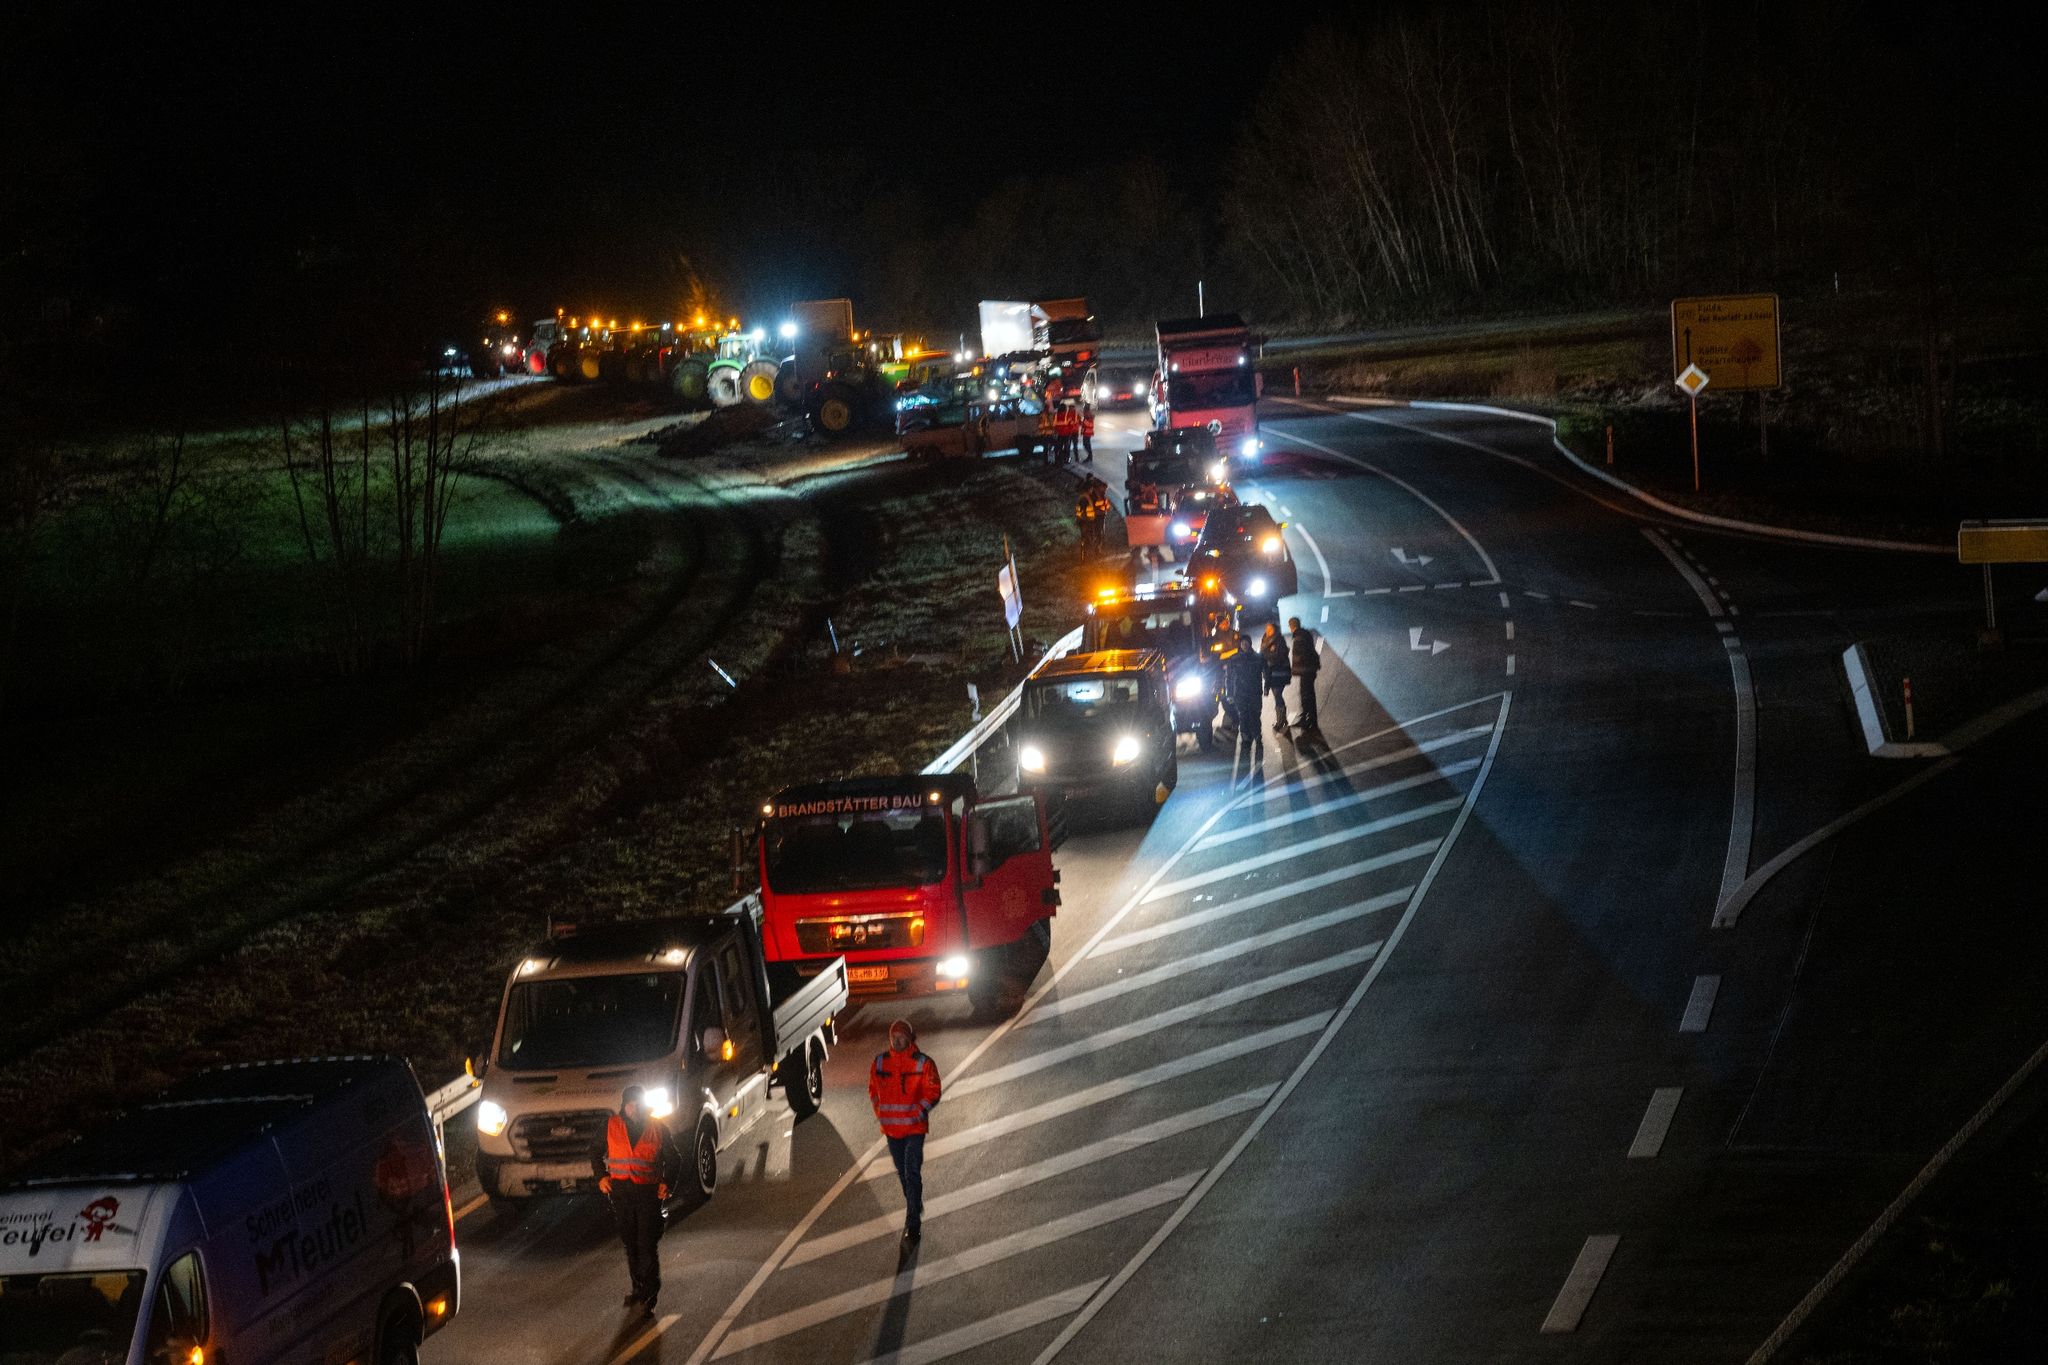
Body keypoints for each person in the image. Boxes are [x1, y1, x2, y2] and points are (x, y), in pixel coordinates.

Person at [591, 1085, 684, 1314]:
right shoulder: (610, 1126)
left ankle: (650, 1293)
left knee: (646, 1242)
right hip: (621, 1194)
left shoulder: (657, 1128)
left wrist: (666, 1183)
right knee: (630, 1241)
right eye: (631, 1104)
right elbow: (594, 1151)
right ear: (624, 1106)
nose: (635, 1109)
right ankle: (638, 1287)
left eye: (638, 1104)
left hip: (647, 1194)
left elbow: (674, 1159)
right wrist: (601, 1177)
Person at [871, 1018, 942, 1246]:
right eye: (894, 1037)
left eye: (901, 1037)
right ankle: (914, 1203)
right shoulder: (880, 1063)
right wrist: (880, 1111)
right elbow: (873, 1090)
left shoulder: (923, 1063)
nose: (897, 1041)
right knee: (903, 1174)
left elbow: (933, 1091)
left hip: (913, 1129)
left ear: (910, 1039)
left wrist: (918, 1112)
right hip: (892, 1130)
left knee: (911, 1172)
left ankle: (913, 1222)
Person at [1223, 626, 1266, 756]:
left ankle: (1258, 738)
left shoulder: (1258, 658)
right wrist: (1229, 693)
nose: (1244, 645)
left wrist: (1267, 686)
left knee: (1255, 716)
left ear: (1250, 644)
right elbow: (1229, 678)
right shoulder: (1234, 659)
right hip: (1240, 694)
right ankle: (1246, 740)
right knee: (1243, 717)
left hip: (1254, 693)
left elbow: (1266, 671)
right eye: (1242, 643)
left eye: (1246, 643)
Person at [1289, 616, 1321, 730]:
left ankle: (1308, 720)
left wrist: (1295, 668)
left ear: (1291, 626)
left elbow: (1302, 655)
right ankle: (1310, 719)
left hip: (1306, 670)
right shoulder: (1305, 634)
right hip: (1310, 669)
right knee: (1308, 694)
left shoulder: (1298, 637)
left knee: (1306, 695)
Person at [1260, 621, 1291, 732]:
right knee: (1277, 695)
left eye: (1270, 629)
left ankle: (1280, 721)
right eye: (1267, 629)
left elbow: (1279, 655)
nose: (1268, 631)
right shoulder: (1264, 640)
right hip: (1270, 673)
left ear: (1275, 630)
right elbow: (1262, 655)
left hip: (1279, 672)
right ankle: (1283, 718)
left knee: (1277, 694)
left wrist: (1268, 657)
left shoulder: (1279, 640)